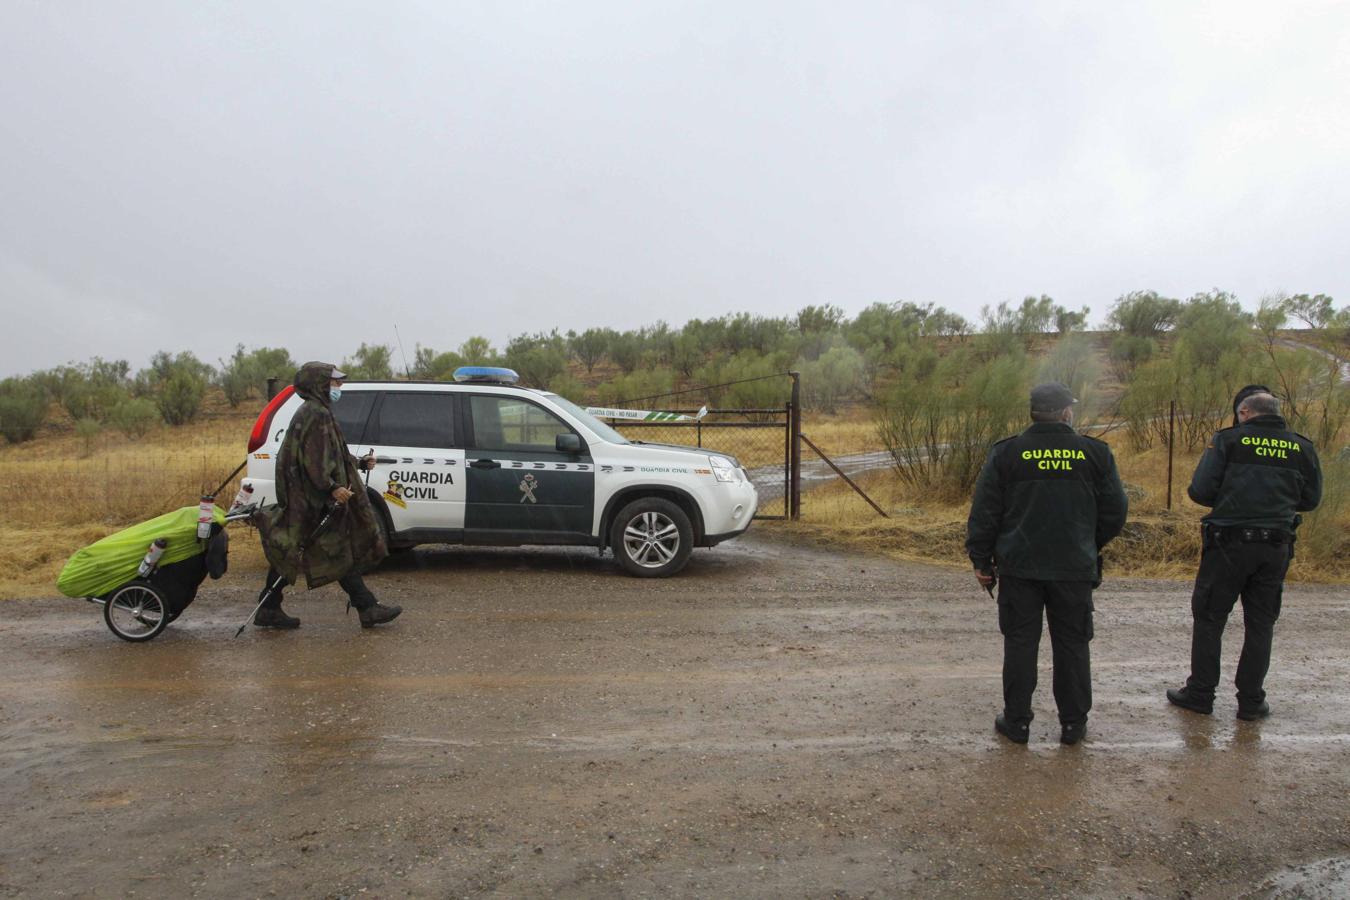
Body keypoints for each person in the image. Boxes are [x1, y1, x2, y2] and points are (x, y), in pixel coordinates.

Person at [966, 382, 1128, 745]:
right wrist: (1087, 542)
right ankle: (1073, 724)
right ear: (1067, 412)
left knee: (1021, 643)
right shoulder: (1095, 453)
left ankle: (1017, 722)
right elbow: (1116, 511)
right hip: (1073, 568)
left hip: (1019, 567)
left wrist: (981, 560)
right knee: (1072, 644)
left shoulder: (1008, 452)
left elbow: (985, 511)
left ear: (1033, 412)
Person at [1166, 391, 1321, 720]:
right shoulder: (1301, 446)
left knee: (1210, 618)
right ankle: (1251, 702)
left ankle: (1201, 694)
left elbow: (1200, 490)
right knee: (1261, 624)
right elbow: (1310, 499)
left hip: (1228, 544)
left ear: (1245, 412)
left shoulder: (1228, 441)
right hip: (1276, 546)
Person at [254, 362, 402, 630]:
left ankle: (269, 606)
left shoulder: (316, 411)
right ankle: (366, 607)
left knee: (300, 547)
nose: (339, 386)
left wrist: (356, 464)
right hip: (310, 499)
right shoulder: (315, 413)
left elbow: (330, 452)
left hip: (307, 497)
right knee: (328, 548)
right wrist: (332, 486)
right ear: (319, 384)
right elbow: (314, 460)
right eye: (334, 382)